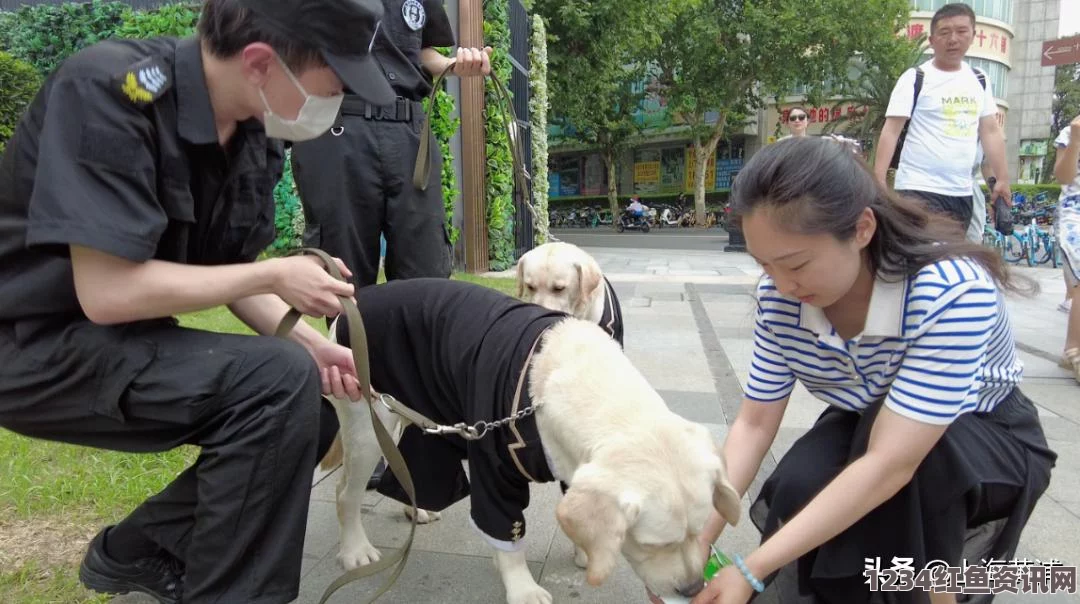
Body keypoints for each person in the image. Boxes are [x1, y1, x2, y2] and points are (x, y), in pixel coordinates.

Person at [0, 0, 391, 601]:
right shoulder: (110, 92)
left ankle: (132, 552)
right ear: (262, 63)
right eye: (334, 80)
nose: (340, 95)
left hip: (117, 335)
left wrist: (313, 344)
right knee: (275, 381)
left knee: (303, 400)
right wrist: (272, 277)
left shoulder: (254, 134)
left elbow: (223, 269)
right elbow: (107, 293)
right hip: (28, 343)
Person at [689, 137, 1056, 604]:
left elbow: (890, 463)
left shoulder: (951, 292)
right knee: (802, 483)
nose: (781, 284)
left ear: (862, 229)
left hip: (981, 434)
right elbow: (755, 422)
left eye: (796, 263)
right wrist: (695, 543)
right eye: (764, 265)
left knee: (915, 489)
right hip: (867, 420)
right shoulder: (779, 301)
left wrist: (752, 569)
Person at [873, 2, 1011, 234]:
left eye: (961, 31)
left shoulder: (979, 80)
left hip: (961, 192)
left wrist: (1003, 178)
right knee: (922, 257)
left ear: (973, 35)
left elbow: (990, 131)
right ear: (932, 39)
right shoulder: (915, 78)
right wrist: (877, 179)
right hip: (918, 188)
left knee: (953, 258)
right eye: (945, 32)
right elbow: (891, 130)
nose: (953, 39)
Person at [1053, 114, 1080, 383]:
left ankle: (1070, 348)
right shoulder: (1070, 131)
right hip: (1075, 211)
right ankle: (1074, 349)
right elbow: (1063, 176)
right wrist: (1076, 139)